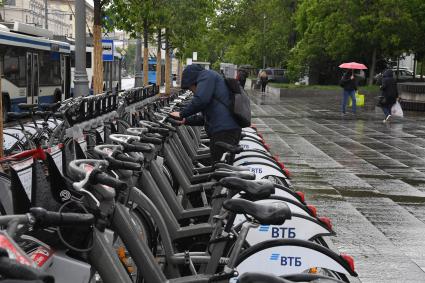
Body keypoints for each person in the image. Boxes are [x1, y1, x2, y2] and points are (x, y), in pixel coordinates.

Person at [170, 64, 242, 163]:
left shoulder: (206, 76)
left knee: (218, 170)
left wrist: (182, 114)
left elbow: (200, 100)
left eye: (191, 89)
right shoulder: (210, 79)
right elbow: (207, 118)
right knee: (221, 168)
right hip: (227, 129)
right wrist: (185, 120)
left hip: (224, 131)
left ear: (194, 81)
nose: (193, 92)